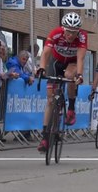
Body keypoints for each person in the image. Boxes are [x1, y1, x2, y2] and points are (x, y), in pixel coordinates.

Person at [36, 12, 87, 153]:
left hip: (72, 63)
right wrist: (41, 68)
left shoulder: (82, 36)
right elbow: (45, 53)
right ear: (63, 29)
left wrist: (80, 75)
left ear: (78, 31)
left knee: (70, 75)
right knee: (50, 99)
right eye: (68, 32)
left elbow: (81, 59)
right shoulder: (56, 33)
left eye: (74, 32)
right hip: (56, 62)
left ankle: (71, 108)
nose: (70, 35)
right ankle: (45, 136)